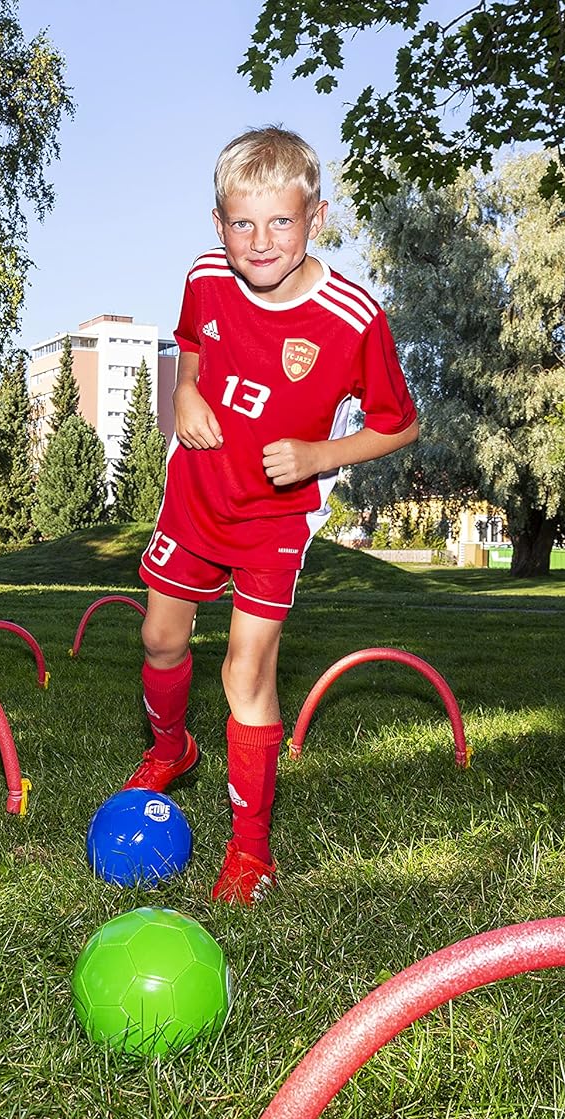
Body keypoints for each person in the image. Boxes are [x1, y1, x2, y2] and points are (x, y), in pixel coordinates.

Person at [125, 127, 419, 904]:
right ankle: (171, 749)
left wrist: (322, 457)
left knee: (245, 670)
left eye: (281, 222)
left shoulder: (354, 318)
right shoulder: (206, 273)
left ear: (317, 215)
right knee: (160, 640)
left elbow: (401, 423)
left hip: (275, 520)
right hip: (195, 493)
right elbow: (190, 341)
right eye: (242, 224)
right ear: (219, 225)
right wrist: (186, 391)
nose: (260, 242)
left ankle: (251, 852)